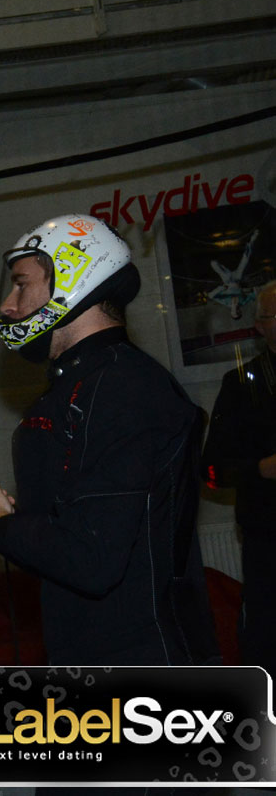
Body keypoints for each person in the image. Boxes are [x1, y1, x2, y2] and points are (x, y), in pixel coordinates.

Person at [0, 214, 218, 666]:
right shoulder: (78, 388)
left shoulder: (125, 389)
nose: (9, 305)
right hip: (88, 662)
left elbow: (92, 561)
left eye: (21, 285)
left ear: (73, 279)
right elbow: (55, 550)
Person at [202, 279, 276, 676]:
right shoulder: (242, 385)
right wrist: (261, 468)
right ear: (260, 326)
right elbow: (211, 469)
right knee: (266, 643)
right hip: (269, 539)